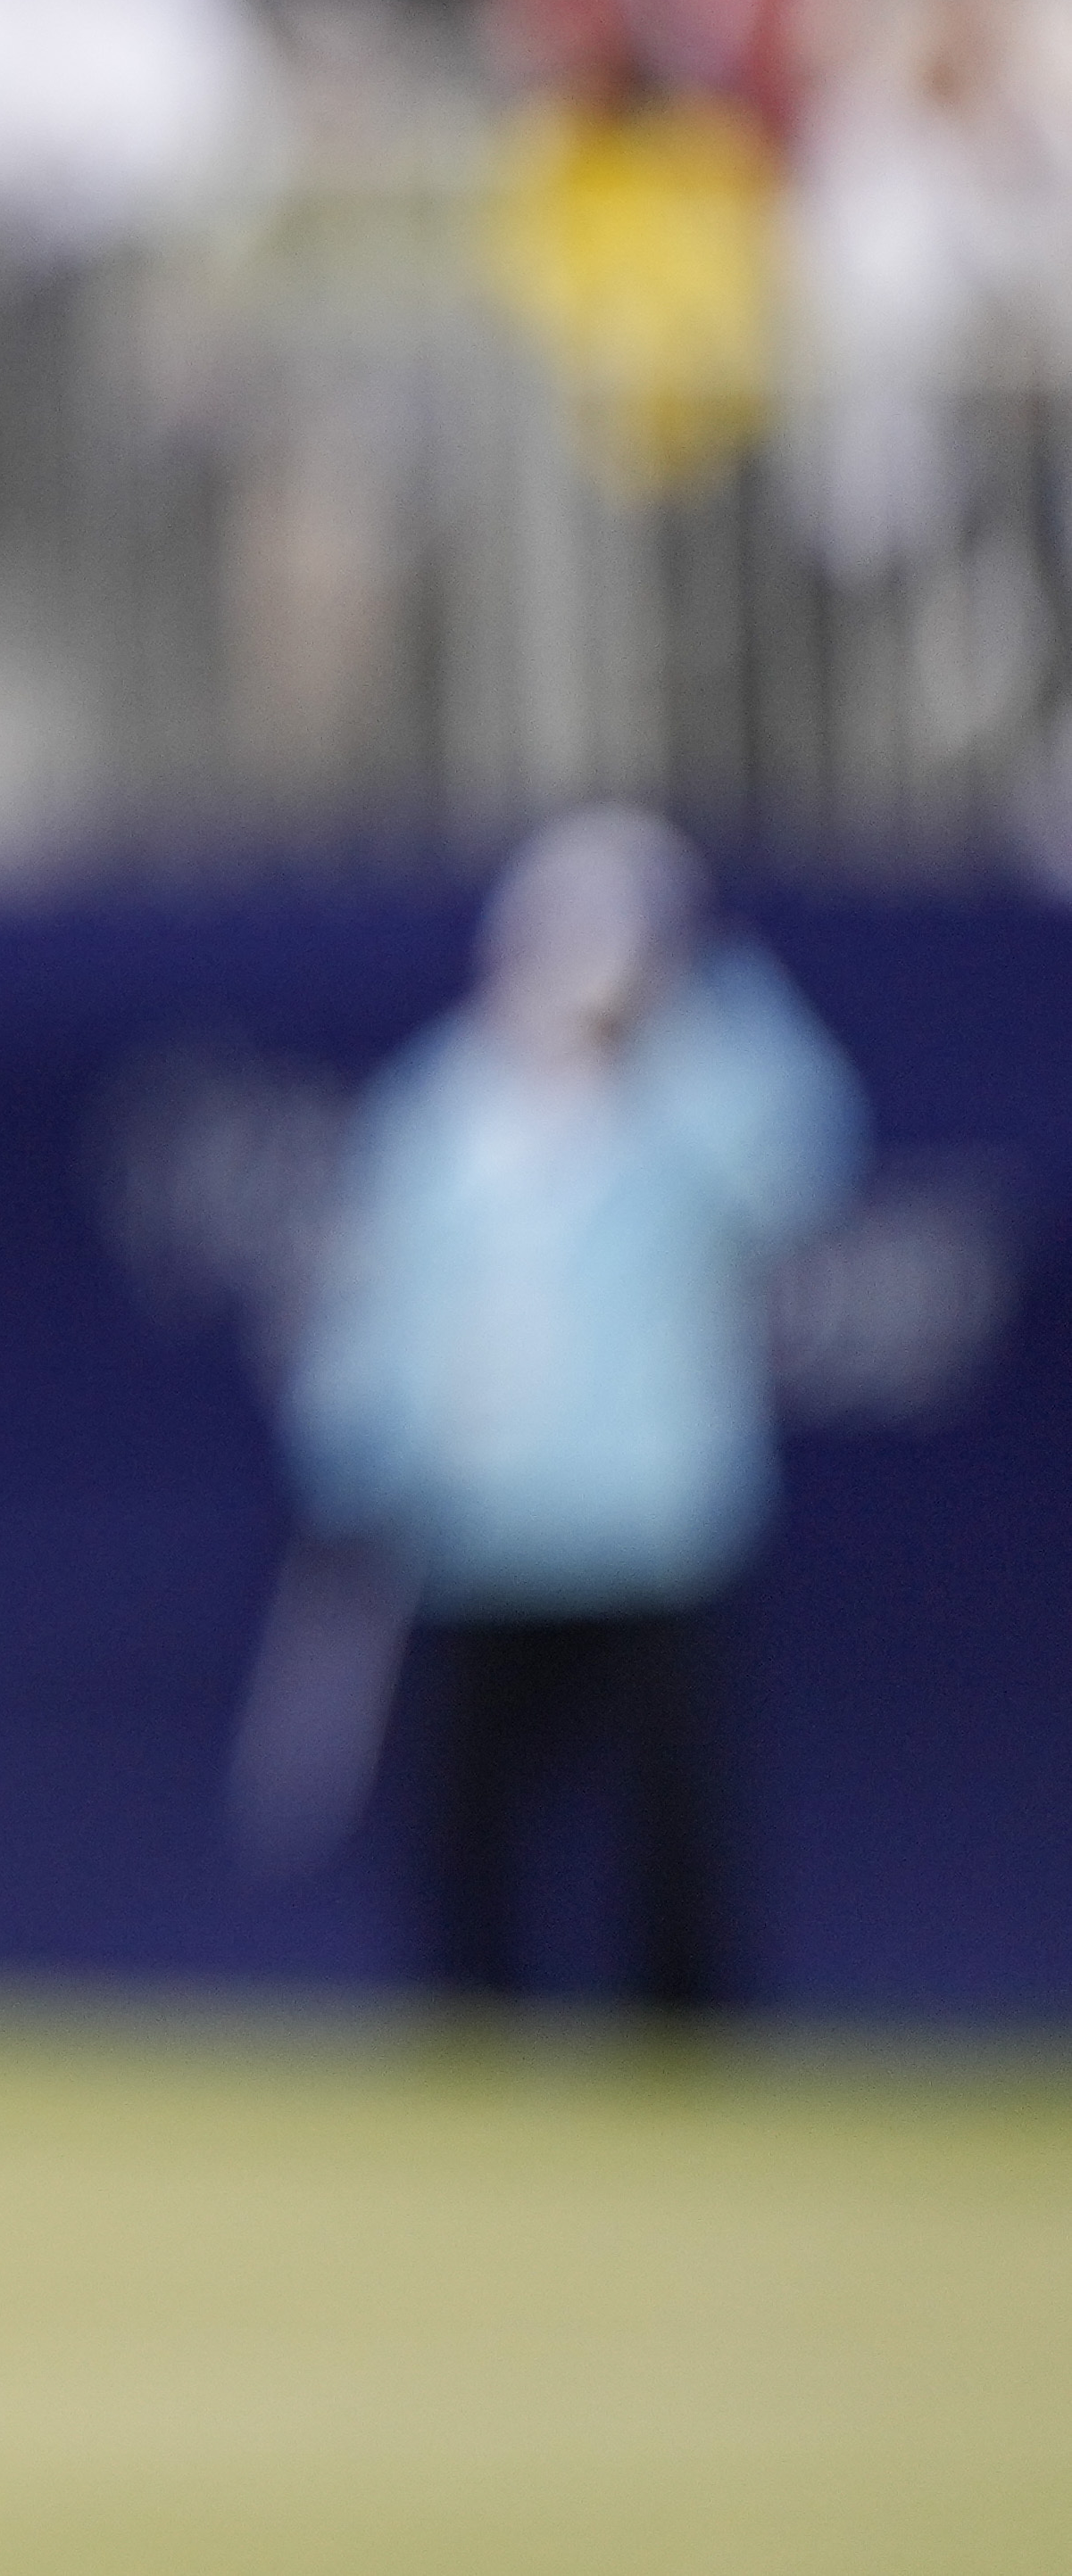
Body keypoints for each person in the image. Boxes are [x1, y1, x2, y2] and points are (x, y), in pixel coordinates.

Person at [295, 806, 864, 2018]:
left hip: (649, 1527)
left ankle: (686, 2036)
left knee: (672, 1816)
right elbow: (373, 1298)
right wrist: (364, 1453)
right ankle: (473, 2027)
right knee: (469, 1817)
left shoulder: (689, 1097)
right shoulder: (442, 1106)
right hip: (479, 1530)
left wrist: (687, 1015)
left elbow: (803, 1161)